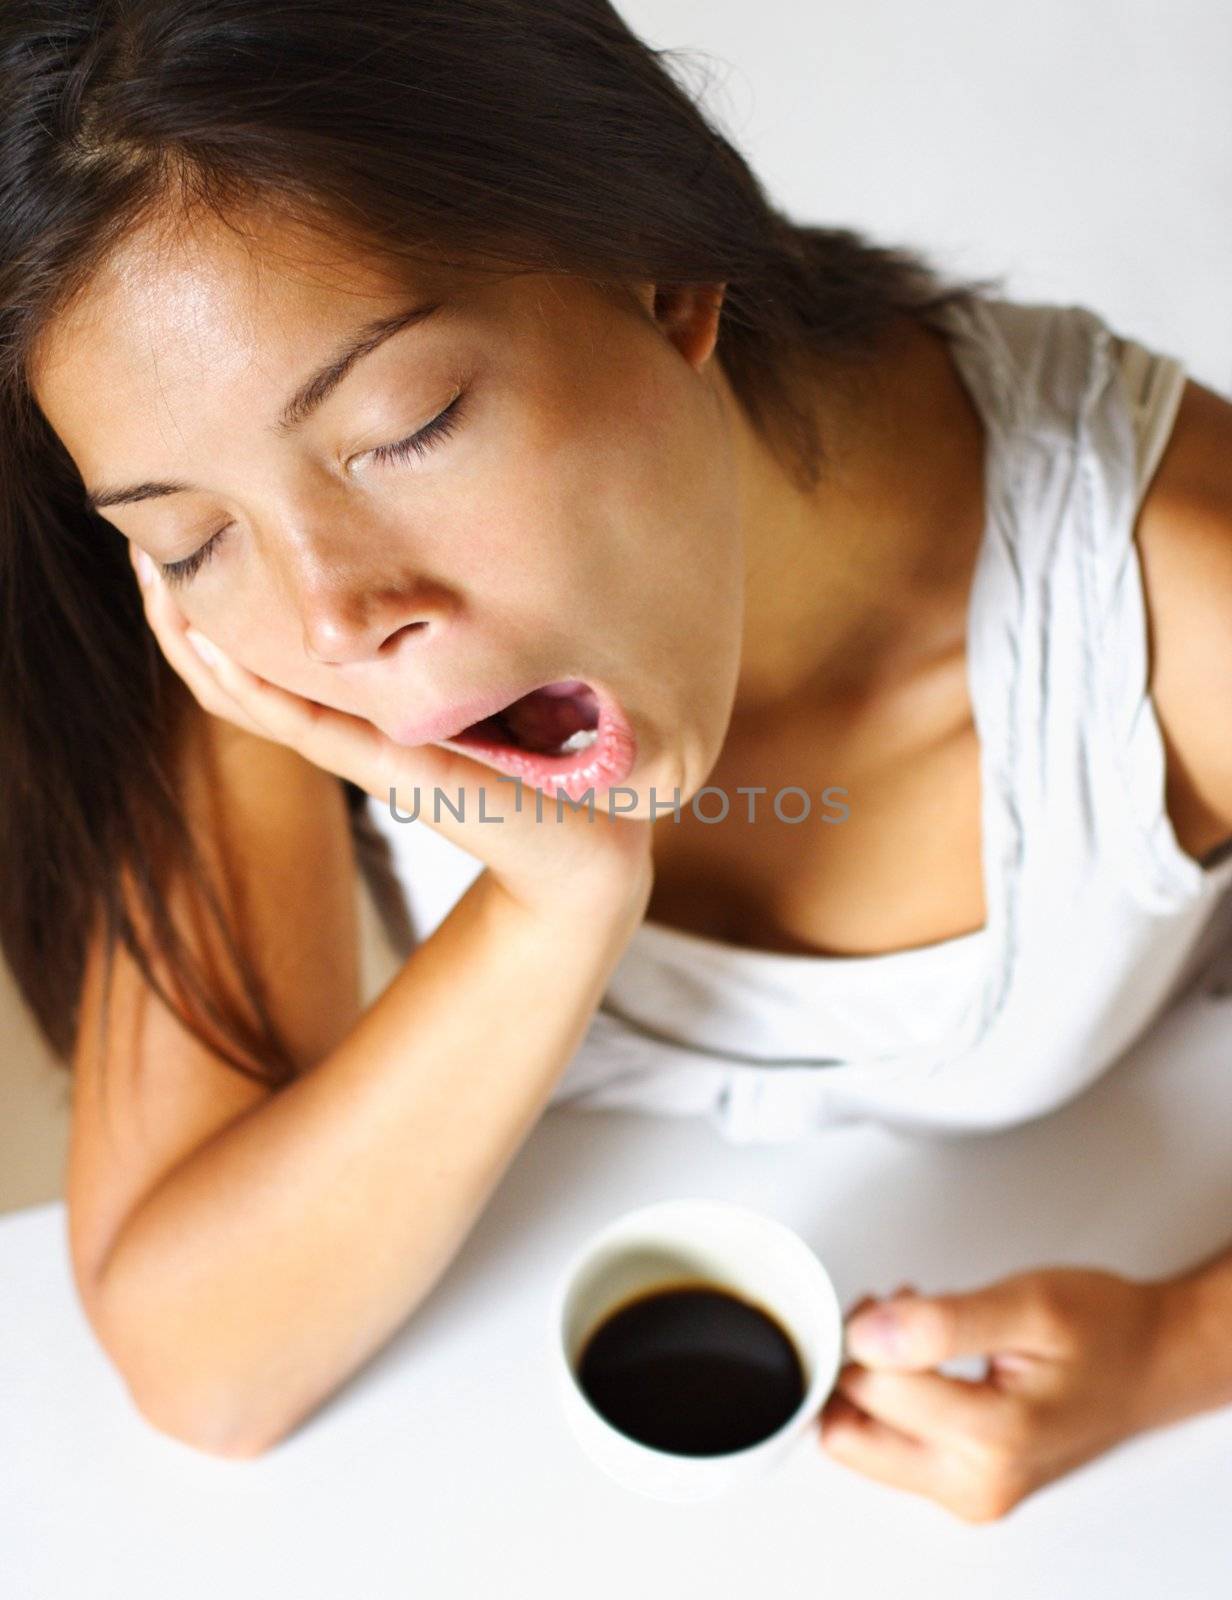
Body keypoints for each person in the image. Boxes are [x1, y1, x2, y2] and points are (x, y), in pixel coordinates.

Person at [2, 0, 1231, 1525]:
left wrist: (1179, 1348)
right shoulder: (252, 655)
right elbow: (207, 1368)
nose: (336, 621)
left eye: (410, 423)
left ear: (662, 277)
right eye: (186, 536)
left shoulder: (1178, 595)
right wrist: (551, 905)